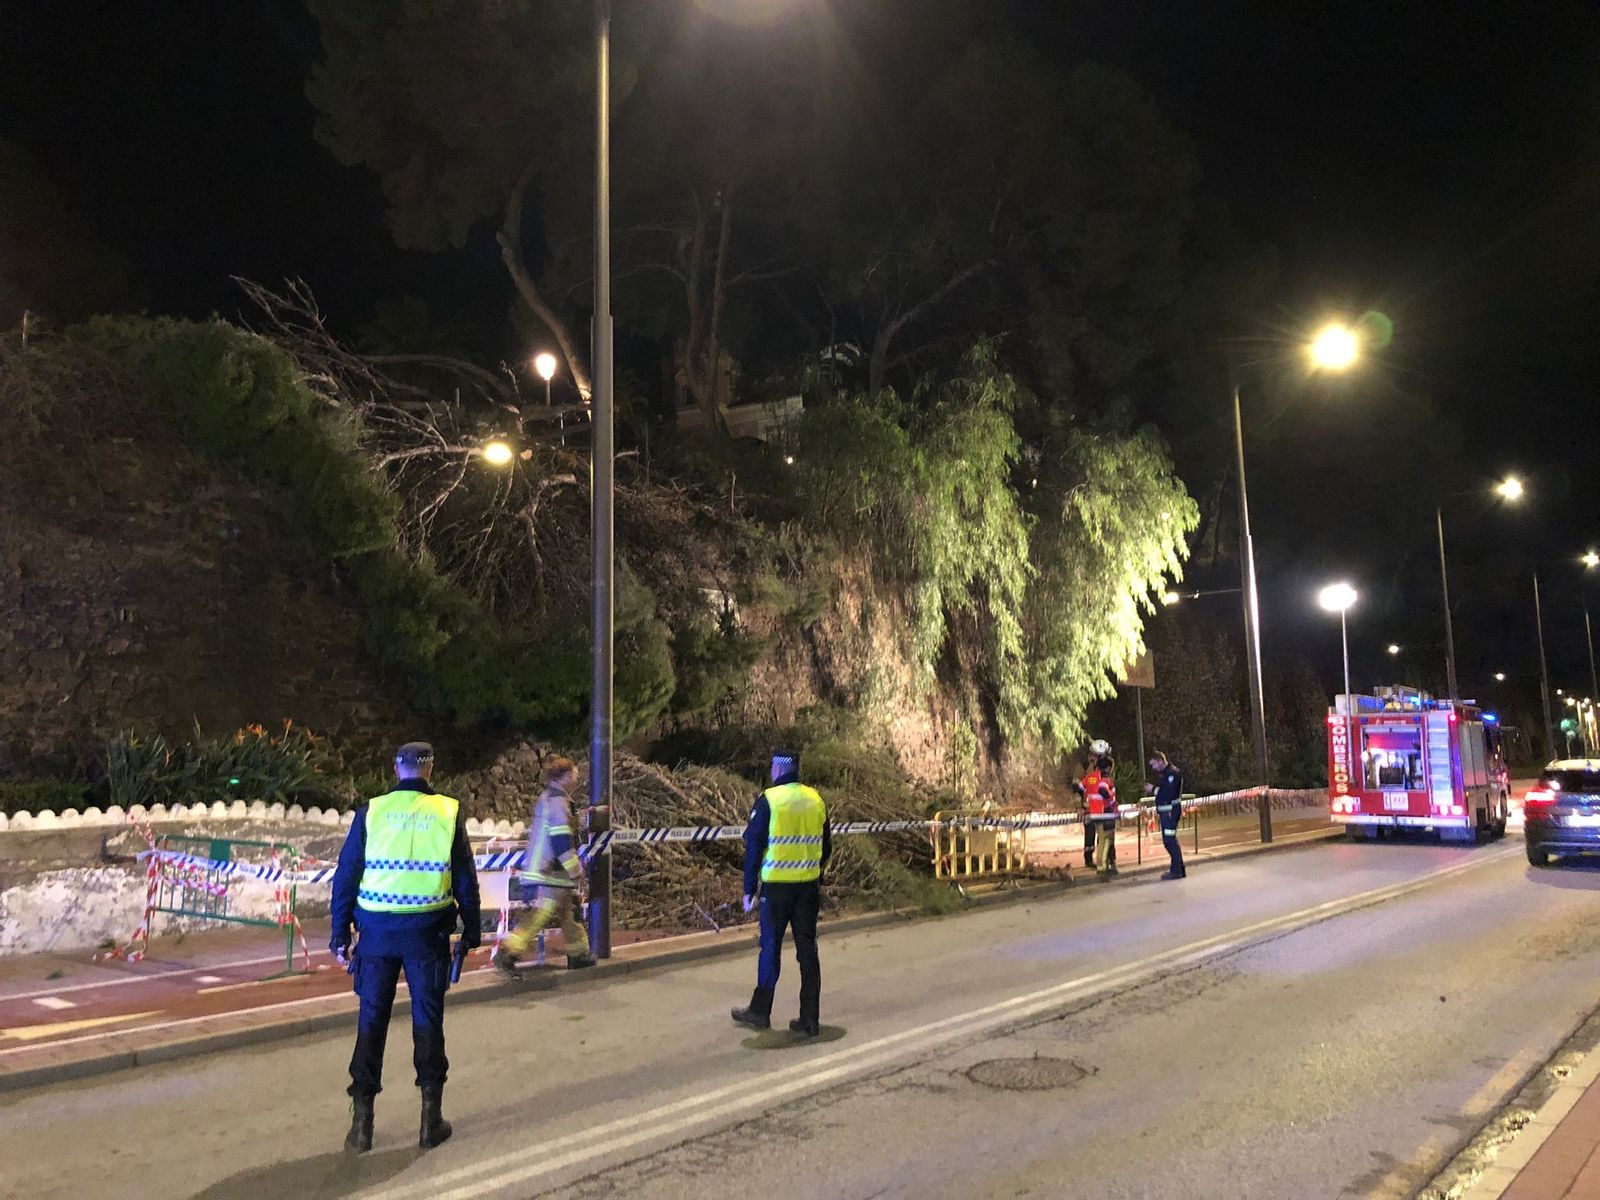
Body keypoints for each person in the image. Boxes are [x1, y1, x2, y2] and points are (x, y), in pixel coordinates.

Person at [330, 741, 481, 1154]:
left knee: (371, 1022)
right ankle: (430, 1123)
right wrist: (472, 929)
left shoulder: (372, 811)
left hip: (376, 935)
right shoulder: (447, 812)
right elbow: (465, 877)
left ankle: (362, 1127)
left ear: (397, 768)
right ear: (430, 769)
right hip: (427, 935)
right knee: (428, 1022)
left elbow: (346, 874)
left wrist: (339, 932)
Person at [731, 749, 831, 1038]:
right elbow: (826, 847)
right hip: (808, 889)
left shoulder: (769, 800)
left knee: (770, 950)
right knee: (808, 952)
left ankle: (760, 1012)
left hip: (776, 891)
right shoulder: (816, 799)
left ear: (778, 768)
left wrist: (749, 889)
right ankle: (810, 1018)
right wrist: (812, 867)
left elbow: (753, 847)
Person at [493, 756, 594, 975]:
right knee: (544, 912)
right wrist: (576, 871)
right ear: (565, 776)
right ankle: (508, 952)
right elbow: (561, 841)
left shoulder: (550, 798)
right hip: (550, 870)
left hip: (547, 869)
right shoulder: (559, 803)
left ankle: (579, 955)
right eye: (575, 773)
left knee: (568, 911)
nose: (577, 777)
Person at [1148, 750, 1186, 880]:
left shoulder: (1171, 774)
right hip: (1167, 811)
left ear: (1160, 761)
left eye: (1154, 764)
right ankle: (1179, 869)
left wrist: (1152, 789)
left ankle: (1176, 871)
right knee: (1171, 840)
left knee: (1169, 841)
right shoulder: (1166, 773)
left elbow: (1168, 793)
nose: (1153, 768)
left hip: (1170, 812)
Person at [1083, 752, 1119, 879]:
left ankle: (1104, 865)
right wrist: (1111, 799)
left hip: (1095, 813)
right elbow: (1103, 790)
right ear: (1108, 768)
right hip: (1106, 814)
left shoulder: (1090, 777)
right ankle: (1102, 867)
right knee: (1106, 841)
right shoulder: (1105, 779)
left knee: (1102, 840)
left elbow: (1081, 787)